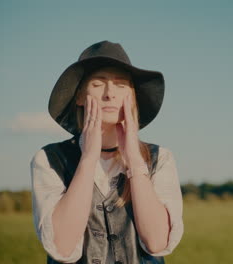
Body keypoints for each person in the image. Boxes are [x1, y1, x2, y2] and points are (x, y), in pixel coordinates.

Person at [30, 40, 184, 264]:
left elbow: (156, 242)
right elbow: (62, 247)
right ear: (80, 96)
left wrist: (134, 161)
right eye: (98, 83)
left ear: (131, 97)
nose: (110, 93)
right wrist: (88, 159)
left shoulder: (160, 159)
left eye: (121, 85)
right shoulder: (49, 159)